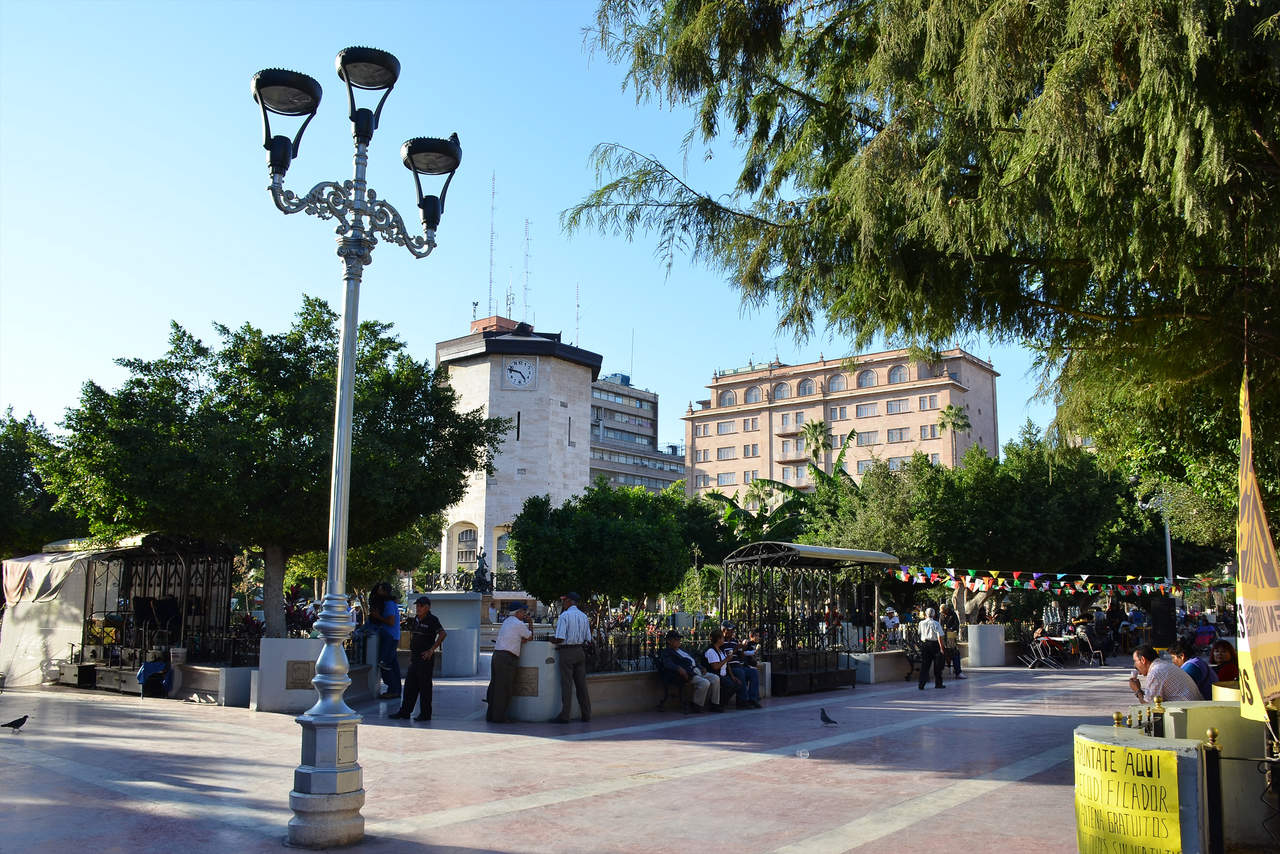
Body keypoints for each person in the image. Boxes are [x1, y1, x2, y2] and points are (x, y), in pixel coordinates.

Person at [390, 596, 446, 721]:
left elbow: (442, 634)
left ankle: (425, 714)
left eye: (420, 606)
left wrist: (432, 650)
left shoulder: (432, 620)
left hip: (425, 658)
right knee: (410, 686)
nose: (418, 608)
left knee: (425, 687)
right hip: (415, 658)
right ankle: (405, 712)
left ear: (427, 607)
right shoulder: (415, 619)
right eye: (417, 606)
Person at [486, 601, 533, 722]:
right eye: (523, 611)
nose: (524, 613)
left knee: (495, 686)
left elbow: (513, 638)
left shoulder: (507, 622)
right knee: (504, 688)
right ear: (517, 612)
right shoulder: (518, 624)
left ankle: (491, 715)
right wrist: (531, 623)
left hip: (497, 655)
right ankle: (499, 717)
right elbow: (530, 636)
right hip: (507, 658)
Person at [550, 591, 592, 723]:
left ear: (569, 601)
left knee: (566, 685)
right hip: (580, 652)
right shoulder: (584, 616)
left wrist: (552, 640)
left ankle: (565, 716)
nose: (563, 602)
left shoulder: (564, 616)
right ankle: (586, 714)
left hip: (567, 652)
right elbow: (588, 639)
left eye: (564, 600)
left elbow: (560, 638)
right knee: (581, 685)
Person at [658, 630, 716, 713]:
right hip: (687, 673)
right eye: (676, 639)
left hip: (697, 670)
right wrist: (679, 669)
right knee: (705, 683)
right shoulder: (667, 652)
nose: (679, 641)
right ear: (669, 641)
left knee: (715, 678)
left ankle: (715, 704)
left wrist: (701, 667)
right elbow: (668, 664)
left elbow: (693, 660)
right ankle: (696, 705)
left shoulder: (682, 650)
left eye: (679, 639)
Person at [1128, 644, 1200, 704]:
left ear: (1143, 660)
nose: (1134, 665)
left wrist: (1137, 690)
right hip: (1193, 708)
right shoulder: (1162, 665)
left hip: (1186, 713)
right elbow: (1153, 698)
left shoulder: (1155, 672)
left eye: (1135, 661)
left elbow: (1149, 706)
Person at [369, 581, 402, 699]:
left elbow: (391, 621)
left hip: (390, 637)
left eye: (379, 589)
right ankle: (396, 690)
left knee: (385, 664)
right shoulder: (390, 603)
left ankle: (393, 689)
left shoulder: (388, 604)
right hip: (393, 636)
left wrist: (377, 616)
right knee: (393, 664)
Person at [721, 622, 761, 708]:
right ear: (724, 630)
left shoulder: (734, 641)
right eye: (730, 630)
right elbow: (726, 656)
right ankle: (742, 701)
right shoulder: (721, 641)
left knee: (753, 672)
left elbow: (741, 655)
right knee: (740, 673)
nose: (732, 632)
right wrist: (736, 649)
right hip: (730, 667)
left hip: (739, 665)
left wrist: (742, 648)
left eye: (732, 630)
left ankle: (753, 699)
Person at [702, 628, 739, 711]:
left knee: (736, 684)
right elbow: (715, 667)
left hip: (723, 674)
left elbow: (726, 664)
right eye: (722, 638)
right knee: (729, 685)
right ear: (718, 639)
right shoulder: (711, 651)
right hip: (716, 674)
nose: (724, 639)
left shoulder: (720, 650)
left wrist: (732, 676)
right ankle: (716, 704)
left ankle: (721, 703)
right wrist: (727, 659)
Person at [917, 607, 946, 690]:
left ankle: (921, 684)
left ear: (926, 614)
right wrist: (941, 648)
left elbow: (919, 633)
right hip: (934, 644)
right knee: (937, 665)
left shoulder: (921, 623)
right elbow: (939, 636)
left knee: (925, 665)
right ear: (934, 614)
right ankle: (938, 683)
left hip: (925, 644)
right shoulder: (936, 623)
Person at [939, 604, 966, 679]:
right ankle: (939, 672)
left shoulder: (953, 614)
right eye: (942, 612)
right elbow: (940, 624)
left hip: (951, 635)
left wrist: (951, 629)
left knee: (954, 652)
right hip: (943, 636)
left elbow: (956, 625)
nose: (943, 613)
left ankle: (958, 672)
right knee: (943, 654)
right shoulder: (941, 615)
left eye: (944, 611)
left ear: (947, 610)